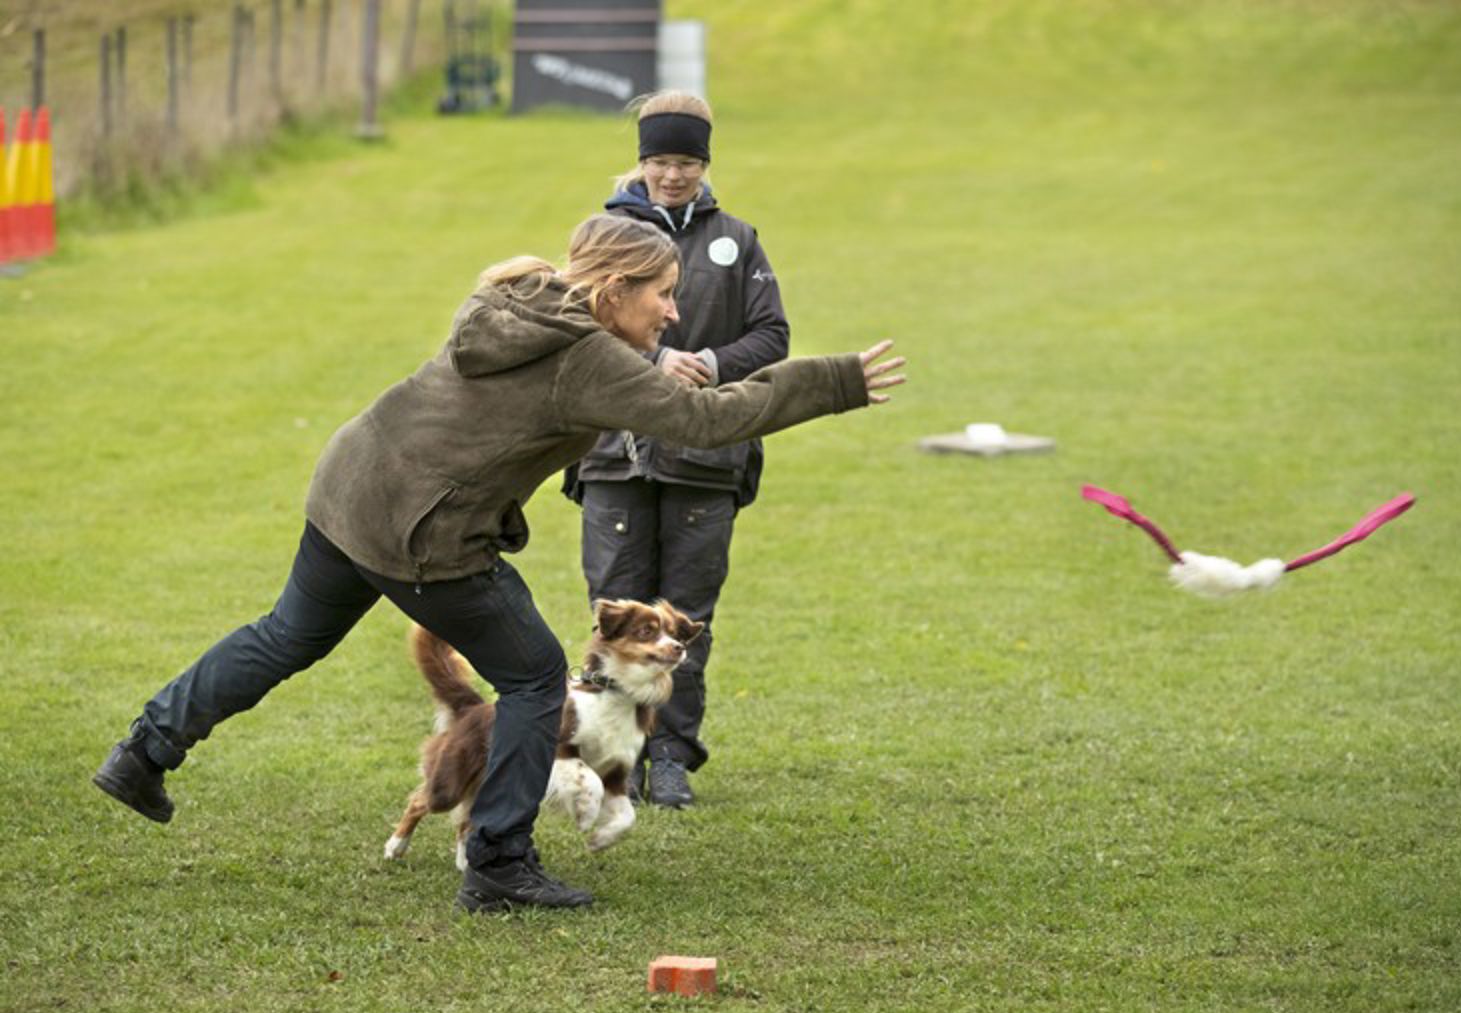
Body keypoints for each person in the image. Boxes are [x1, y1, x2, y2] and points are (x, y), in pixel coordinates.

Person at [92, 213, 906, 913]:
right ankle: (499, 862)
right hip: (421, 530)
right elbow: (703, 419)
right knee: (535, 676)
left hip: (353, 483)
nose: (673, 309)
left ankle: (142, 753)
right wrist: (833, 380)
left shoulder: (524, 296)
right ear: (616, 288)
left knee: (285, 635)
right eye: (662, 291)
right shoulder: (588, 359)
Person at [564, 91, 785, 808]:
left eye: (686, 161)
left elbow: (772, 336)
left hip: (706, 456)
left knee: (687, 614)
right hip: (610, 455)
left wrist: (711, 364)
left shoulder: (737, 240)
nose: (673, 175)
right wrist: (651, 362)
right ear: (641, 161)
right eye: (660, 160)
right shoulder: (602, 234)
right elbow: (570, 322)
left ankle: (672, 757)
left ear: (705, 163)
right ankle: (600, 751)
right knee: (615, 614)